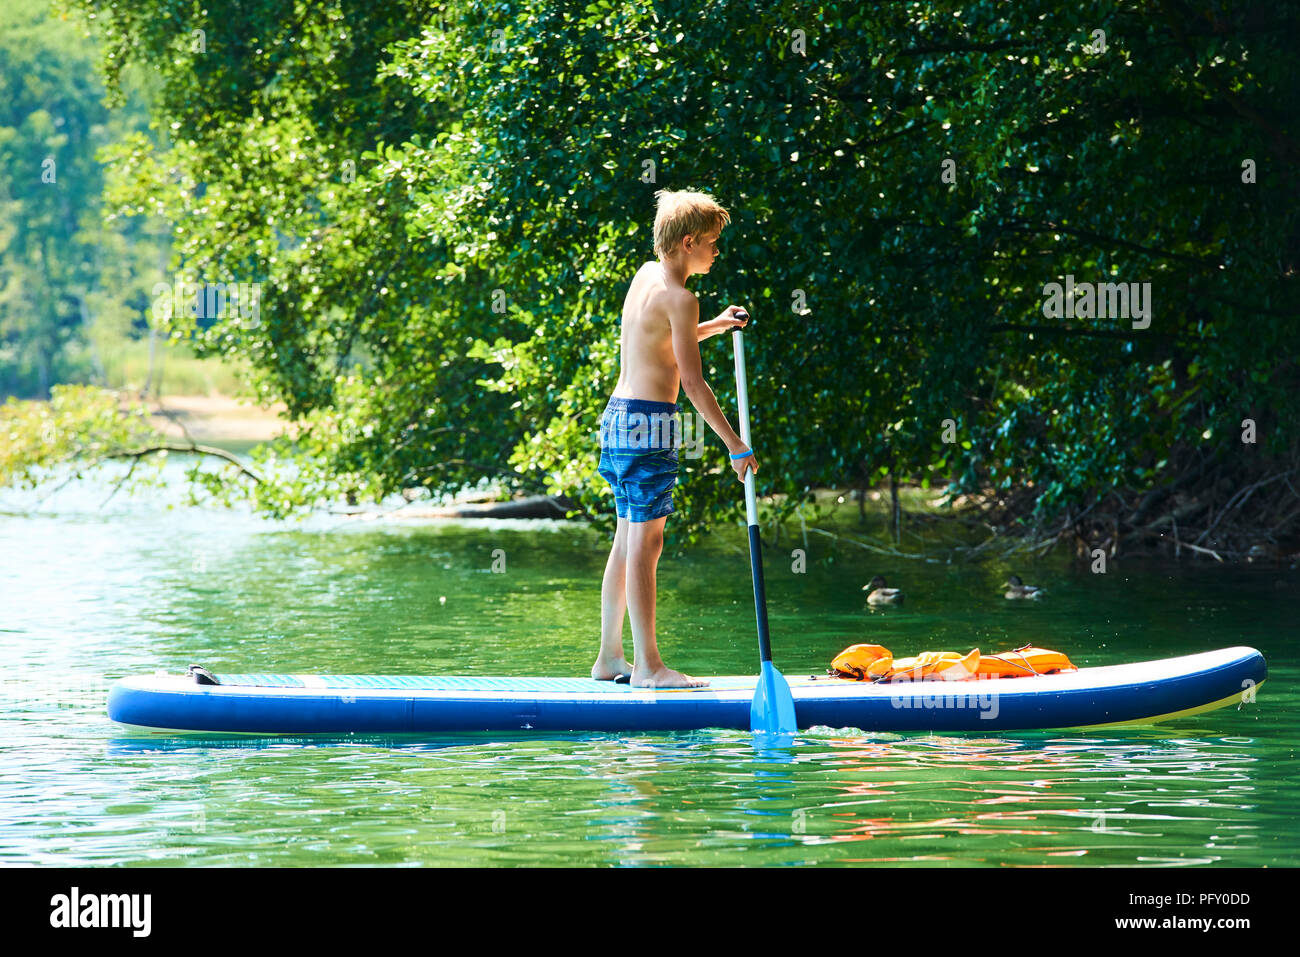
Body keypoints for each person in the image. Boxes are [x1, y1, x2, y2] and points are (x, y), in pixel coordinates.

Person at [593, 189, 759, 689]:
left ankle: (609, 658)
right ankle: (648, 668)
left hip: (618, 419)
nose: (715, 251)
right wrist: (736, 444)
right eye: (710, 243)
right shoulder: (683, 297)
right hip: (650, 425)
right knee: (647, 543)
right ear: (688, 242)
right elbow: (691, 383)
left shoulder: (649, 276)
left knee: (627, 539)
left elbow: (665, 338)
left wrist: (718, 326)